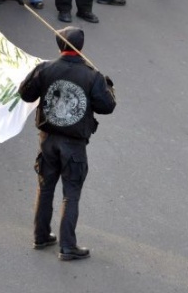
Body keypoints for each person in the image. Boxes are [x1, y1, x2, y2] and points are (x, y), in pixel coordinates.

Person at [18, 26, 116, 261]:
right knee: (71, 194)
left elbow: (26, 94)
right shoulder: (92, 76)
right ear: (80, 47)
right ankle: (68, 246)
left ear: (59, 45)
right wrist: (108, 86)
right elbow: (107, 106)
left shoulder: (45, 69)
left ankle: (40, 236)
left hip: (47, 141)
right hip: (73, 145)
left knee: (45, 188)